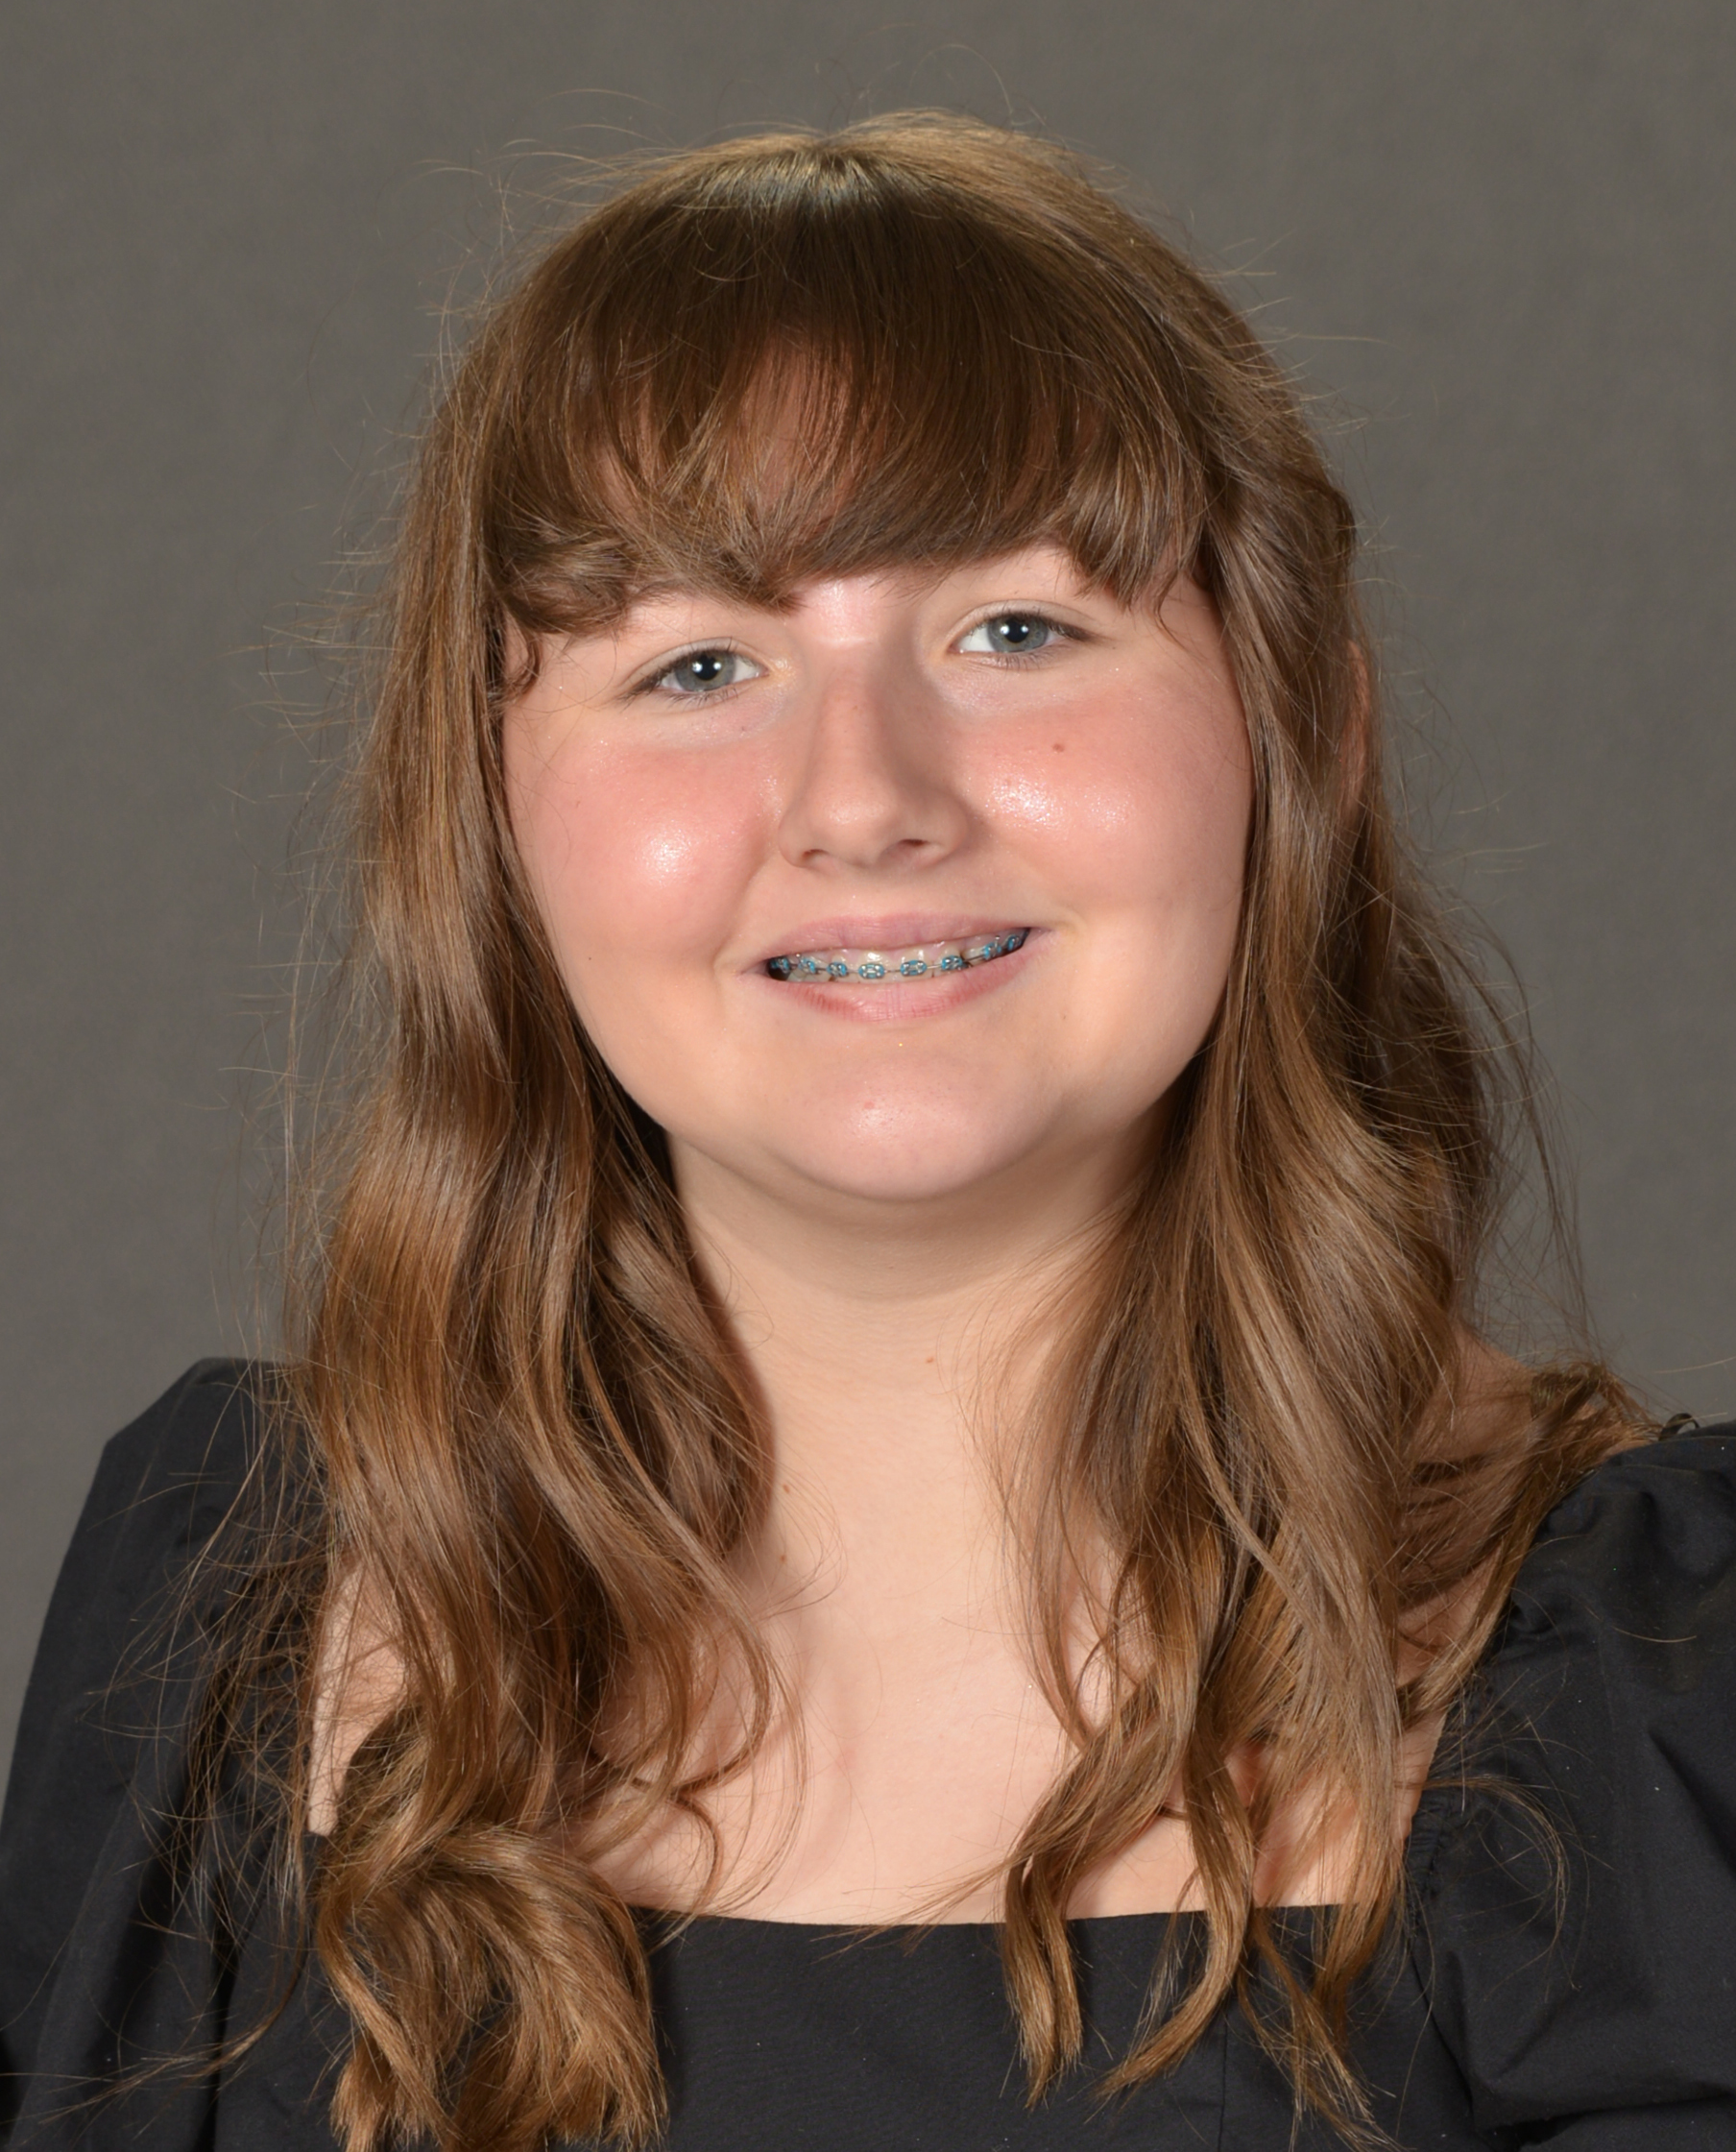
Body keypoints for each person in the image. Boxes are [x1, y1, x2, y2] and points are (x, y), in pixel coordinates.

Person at [2, 114, 1732, 2152]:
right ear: (484, 815)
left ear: (1308, 736)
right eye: (697, 661)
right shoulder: (218, 1601)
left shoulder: (1663, 1671)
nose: (864, 799)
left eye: (1016, 629)